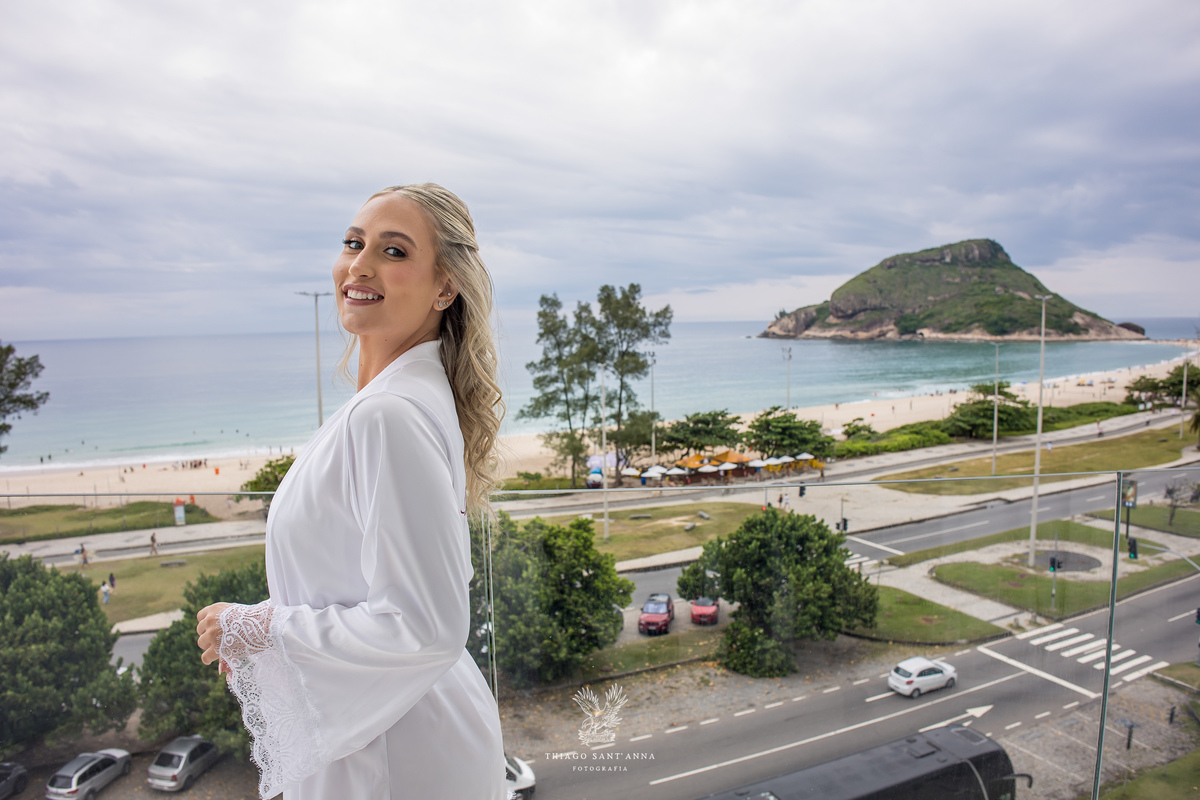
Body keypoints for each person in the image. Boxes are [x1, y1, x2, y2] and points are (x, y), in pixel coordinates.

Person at [195, 184, 506, 800]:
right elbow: (357, 577)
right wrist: (268, 634)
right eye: (353, 243)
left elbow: (425, 626)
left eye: (394, 251)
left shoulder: (388, 414)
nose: (359, 265)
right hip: (399, 734)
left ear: (445, 287)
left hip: (398, 756)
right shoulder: (397, 400)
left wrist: (259, 629)